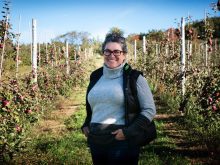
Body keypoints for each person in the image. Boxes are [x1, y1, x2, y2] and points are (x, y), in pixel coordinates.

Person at [81, 32, 156, 165]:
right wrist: (86, 123)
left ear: (124, 55)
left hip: (121, 142)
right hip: (96, 140)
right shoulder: (96, 76)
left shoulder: (134, 78)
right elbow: (94, 105)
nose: (111, 55)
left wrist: (128, 132)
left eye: (117, 51)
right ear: (103, 53)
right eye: (107, 51)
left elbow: (149, 110)